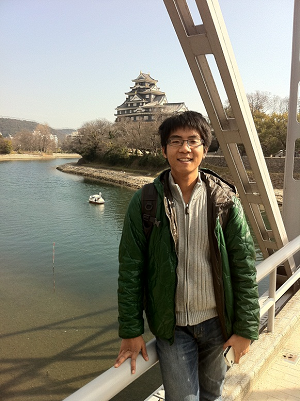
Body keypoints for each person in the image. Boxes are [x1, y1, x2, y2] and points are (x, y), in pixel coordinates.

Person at [114, 111, 260, 401]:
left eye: (193, 141)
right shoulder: (145, 202)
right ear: (164, 150)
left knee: (212, 395)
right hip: (173, 326)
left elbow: (244, 267)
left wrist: (246, 329)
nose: (185, 148)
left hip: (218, 322)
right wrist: (131, 330)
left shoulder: (225, 200)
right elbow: (131, 269)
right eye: (176, 141)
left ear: (205, 150)